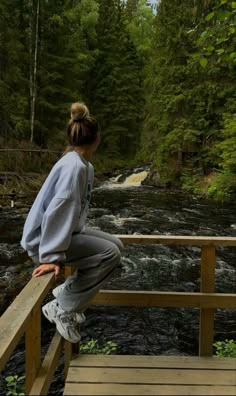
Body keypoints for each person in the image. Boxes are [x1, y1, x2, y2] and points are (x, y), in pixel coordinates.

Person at [21, 102, 123, 343]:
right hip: (43, 240)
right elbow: (59, 209)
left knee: (117, 244)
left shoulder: (83, 165)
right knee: (109, 255)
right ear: (97, 138)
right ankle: (62, 308)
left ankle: (66, 292)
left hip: (64, 235)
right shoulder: (74, 167)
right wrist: (51, 256)